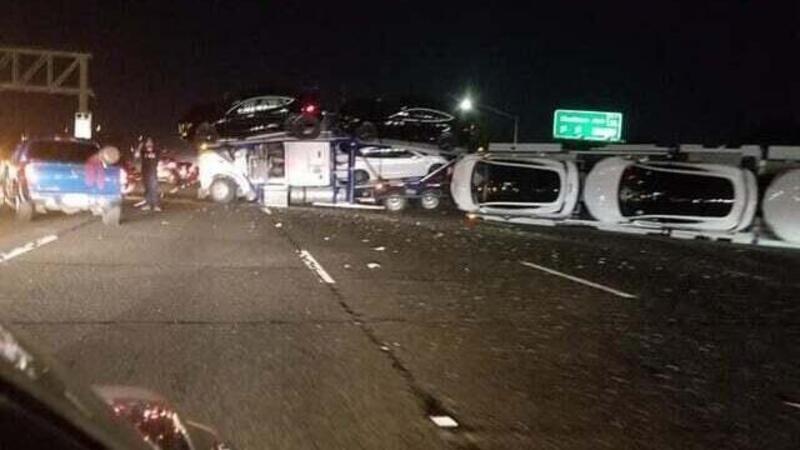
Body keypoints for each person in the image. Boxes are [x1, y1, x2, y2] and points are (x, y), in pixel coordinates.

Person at [138, 137, 162, 211]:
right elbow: (138, 153)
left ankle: (156, 205)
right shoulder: (143, 152)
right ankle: (148, 204)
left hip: (153, 172)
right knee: (147, 189)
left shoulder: (156, 151)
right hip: (145, 172)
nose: (149, 143)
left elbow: (159, 152)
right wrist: (140, 145)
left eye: (150, 142)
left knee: (154, 188)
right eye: (147, 142)